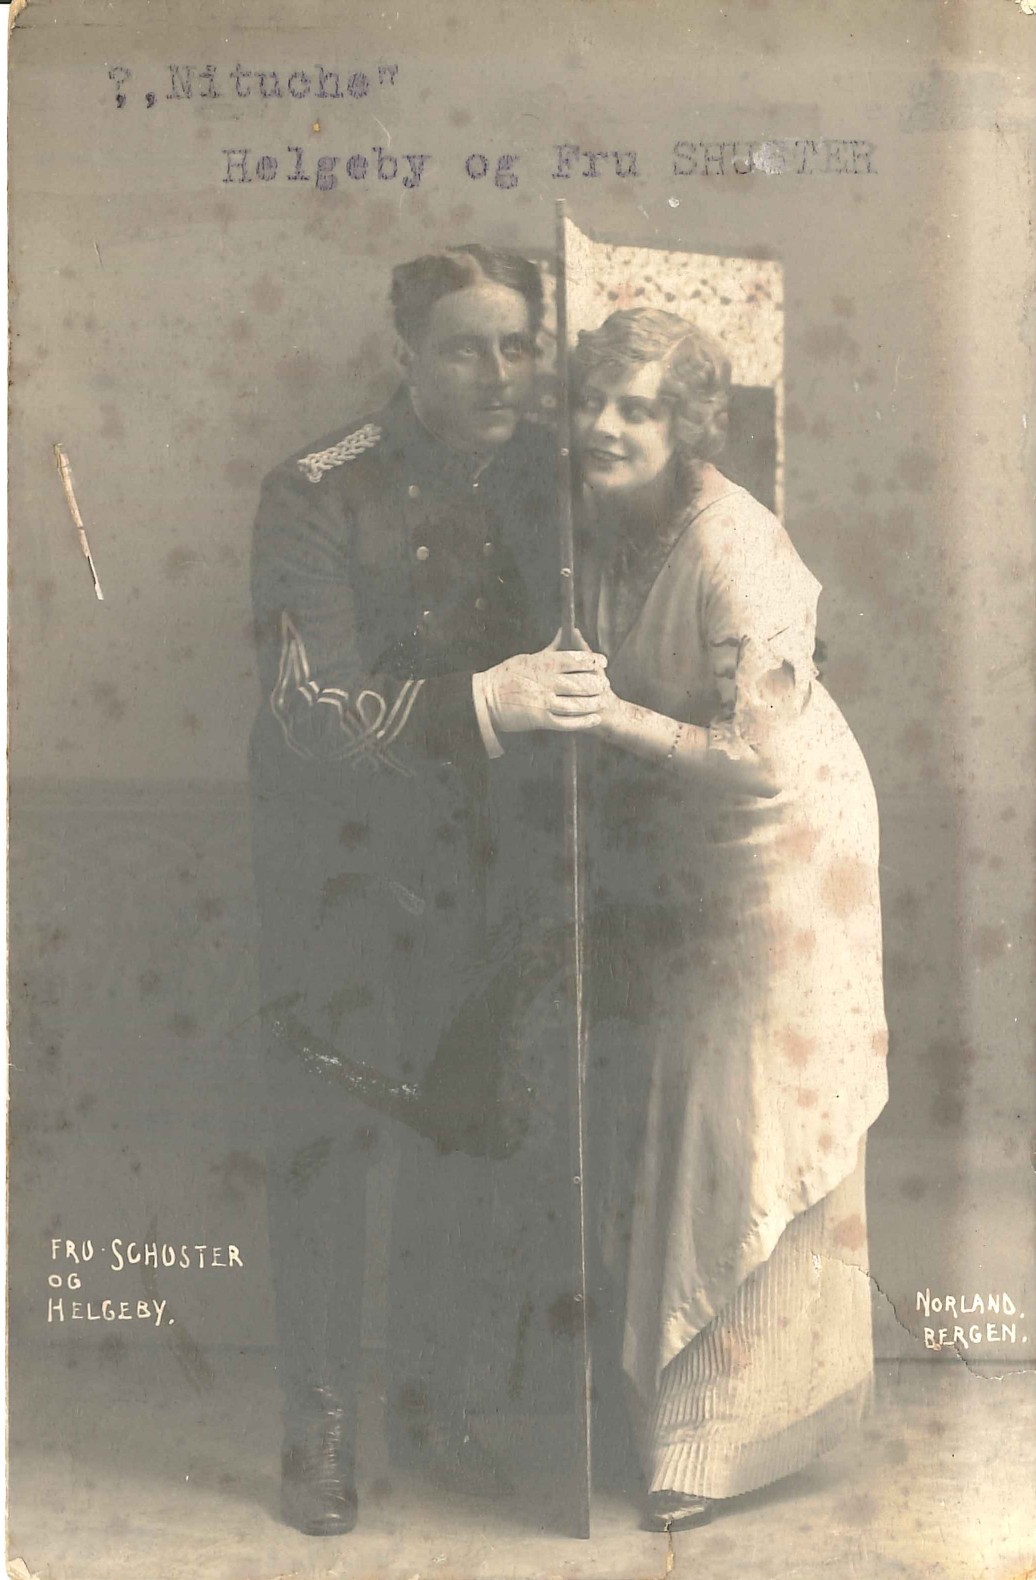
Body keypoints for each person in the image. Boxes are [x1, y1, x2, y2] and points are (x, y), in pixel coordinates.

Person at [248, 244, 609, 1536]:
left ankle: (433, 1403)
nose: (498, 373)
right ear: (405, 354)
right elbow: (311, 715)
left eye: (519, 346)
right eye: (465, 347)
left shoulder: (554, 474)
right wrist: (486, 698)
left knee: (464, 1139)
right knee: (328, 1144)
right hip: (339, 870)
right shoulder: (316, 488)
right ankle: (318, 1429)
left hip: (486, 868)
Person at [570, 309, 889, 1532]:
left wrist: (609, 718)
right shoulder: (606, 518)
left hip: (784, 849)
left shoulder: (735, 544)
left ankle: (716, 1439)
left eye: (638, 408)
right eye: (594, 400)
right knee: (681, 1102)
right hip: (688, 845)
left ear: (688, 424)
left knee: (746, 1109)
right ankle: (670, 1410)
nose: (605, 426)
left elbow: (759, 759)